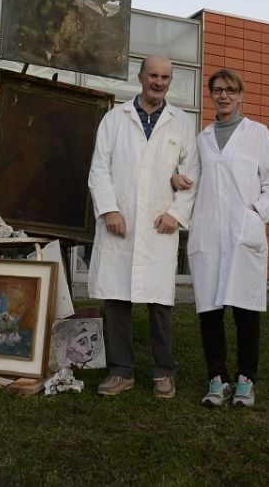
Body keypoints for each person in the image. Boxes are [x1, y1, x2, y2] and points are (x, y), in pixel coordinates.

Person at [173, 69, 269, 408]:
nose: (223, 96)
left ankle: (246, 379)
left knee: (246, 309)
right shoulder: (202, 138)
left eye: (230, 90)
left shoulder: (258, 134)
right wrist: (175, 176)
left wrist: (257, 213)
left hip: (242, 232)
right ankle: (216, 378)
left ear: (241, 95)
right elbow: (191, 179)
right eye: (217, 90)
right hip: (208, 233)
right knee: (210, 309)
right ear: (210, 95)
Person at [87, 55, 197, 398]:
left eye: (165, 77)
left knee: (160, 302)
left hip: (157, 226)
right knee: (117, 300)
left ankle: (164, 371)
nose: (159, 82)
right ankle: (122, 371)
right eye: (153, 75)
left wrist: (176, 214)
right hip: (121, 223)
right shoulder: (114, 119)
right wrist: (109, 210)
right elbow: (99, 169)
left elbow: (192, 174)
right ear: (140, 76)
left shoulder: (180, 123)